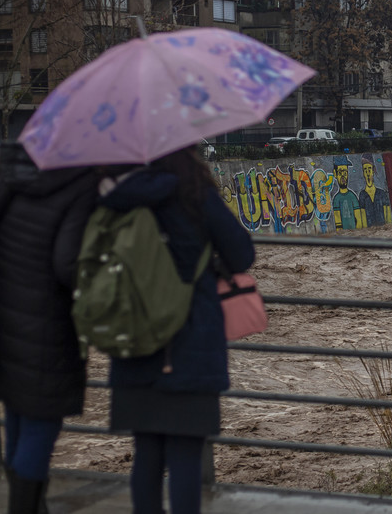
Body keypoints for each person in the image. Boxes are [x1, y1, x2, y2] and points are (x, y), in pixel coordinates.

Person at [101, 146, 254, 514]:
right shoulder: (195, 192)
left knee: (146, 453)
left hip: (134, 340)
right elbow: (242, 254)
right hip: (191, 346)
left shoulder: (118, 196)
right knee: (185, 455)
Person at [0, 142, 99, 514]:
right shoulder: (77, 185)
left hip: (0, 324)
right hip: (50, 329)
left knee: (16, 418)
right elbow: (67, 263)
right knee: (41, 430)